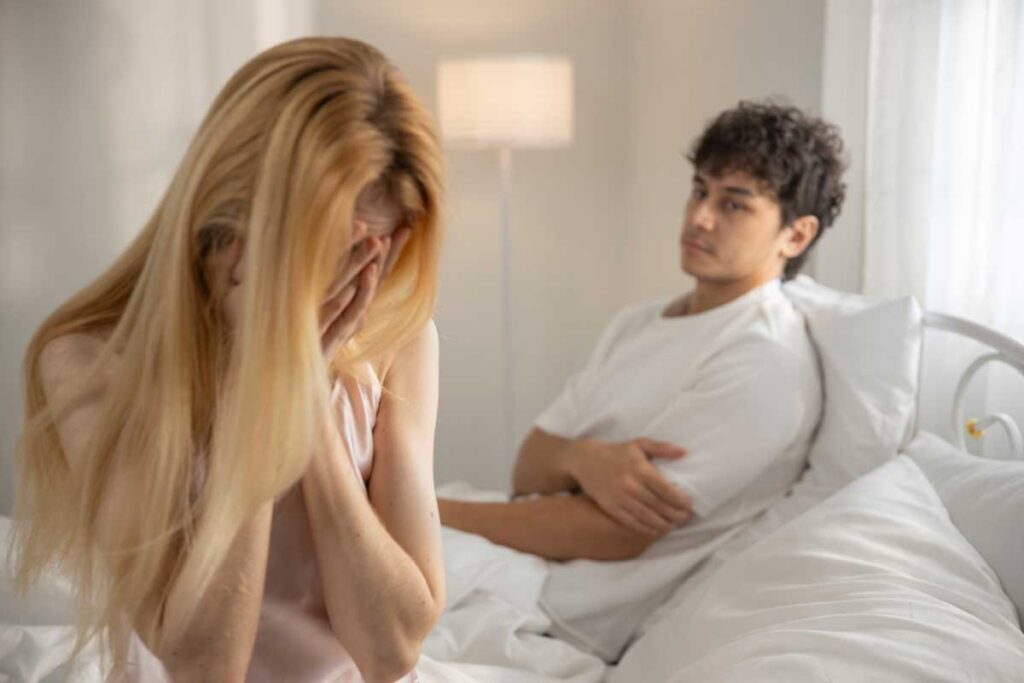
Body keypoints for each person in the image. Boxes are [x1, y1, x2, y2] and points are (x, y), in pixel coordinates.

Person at [10, 37, 445, 682]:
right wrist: (259, 390)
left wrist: (308, 402)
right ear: (238, 214)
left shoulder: (399, 342)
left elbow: (390, 653)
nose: (359, 278)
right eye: (335, 247)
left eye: (378, 249)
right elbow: (204, 663)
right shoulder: (88, 359)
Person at [439, 101, 846, 661]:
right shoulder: (641, 321)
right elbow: (528, 464)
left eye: (733, 204)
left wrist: (426, 511)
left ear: (796, 236)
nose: (700, 217)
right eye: (700, 190)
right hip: (514, 560)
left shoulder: (765, 363)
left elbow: (614, 533)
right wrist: (584, 458)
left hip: (548, 610)